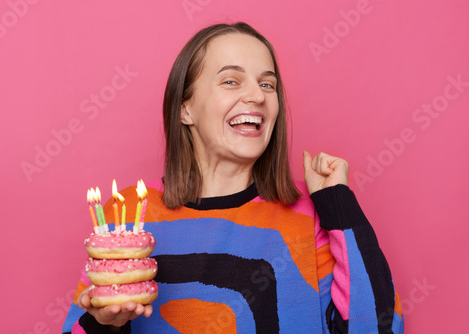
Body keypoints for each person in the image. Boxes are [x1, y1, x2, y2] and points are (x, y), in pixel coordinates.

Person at [63, 22, 404, 333]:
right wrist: (104, 324)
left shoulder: (308, 215)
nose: (257, 96)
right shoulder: (129, 216)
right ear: (185, 108)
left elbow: (379, 328)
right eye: (231, 80)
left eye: (267, 84)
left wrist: (339, 206)